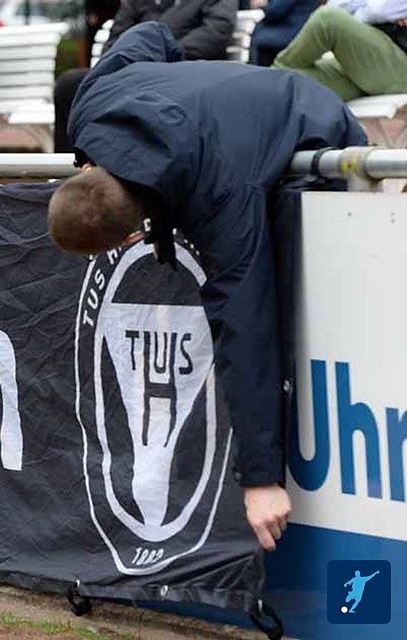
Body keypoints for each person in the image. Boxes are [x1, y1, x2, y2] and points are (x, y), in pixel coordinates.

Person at [47, 22, 366, 551]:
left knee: (297, 301)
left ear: (130, 236)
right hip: (232, 119)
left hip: (314, 121)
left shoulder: (222, 197)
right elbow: (151, 34)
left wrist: (261, 481)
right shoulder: (90, 104)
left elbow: (247, 330)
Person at [53, 0, 237, 153]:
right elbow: (116, 36)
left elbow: (217, 31)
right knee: (69, 85)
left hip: (179, 69)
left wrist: (165, 55)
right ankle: (70, 172)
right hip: (129, 70)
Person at [273, 1, 407, 100]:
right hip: (374, 57)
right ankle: (271, 79)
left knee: (327, 19)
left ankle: (275, 71)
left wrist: (357, 14)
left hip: (398, 64)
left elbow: (379, 10)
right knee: (291, 83)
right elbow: (337, 4)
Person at [249, 0, 320, 66]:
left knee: (258, 38)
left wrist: (263, 5)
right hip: (301, 33)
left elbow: (275, 11)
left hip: (285, 35)